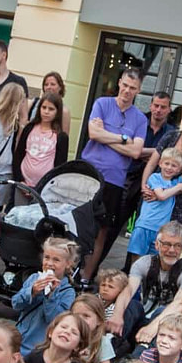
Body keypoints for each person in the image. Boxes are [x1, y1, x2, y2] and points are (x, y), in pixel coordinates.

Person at [77, 65, 149, 283]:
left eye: (133, 88)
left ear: (138, 90)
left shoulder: (140, 119)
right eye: (125, 85)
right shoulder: (102, 104)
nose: (127, 91)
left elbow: (136, 152)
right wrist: (124, 139)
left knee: (102, 231)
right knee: (79, 225)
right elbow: (92, 133)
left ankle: (86, 277)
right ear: (119, 83)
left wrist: (106, 135)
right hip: (89, 173)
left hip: (114, 181)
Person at [110, 220, 182, 346]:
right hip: (144, 319)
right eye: (166, 244)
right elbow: (128, 290)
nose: (172, 250)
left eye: (177, 245)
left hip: (169, 327)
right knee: (132, 306)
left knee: (162, 311)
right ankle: (112, 346)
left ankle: (140, 358)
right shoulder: (144, 263)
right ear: (157, 245)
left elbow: (180, 303)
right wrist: (117, 315)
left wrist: (153, 327)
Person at [10, 236, 77, 353]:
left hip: (37, 348)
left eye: (56, 260)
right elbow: (16, 304)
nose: (49, 263)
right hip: (17, 340)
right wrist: (31, 292)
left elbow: (55, 320)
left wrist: (51, 296)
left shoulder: (68, 292)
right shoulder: (33, 279)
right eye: (47, 258)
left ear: (68, 264)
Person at [127, 148, 182, 258]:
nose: (169, 167)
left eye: (174, 166)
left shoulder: (174, 182)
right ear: (160, 163)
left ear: (178, 169)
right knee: (137, 259)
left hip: (160, 230)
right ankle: (135, 275)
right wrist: (178, 188)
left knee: (154, 261)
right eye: (166, 163)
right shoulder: (155, 178)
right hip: (145, 225)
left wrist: (180, 165)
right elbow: (161, 196)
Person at [17, 91, 67, 188]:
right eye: (43, 107)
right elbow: (18, 154)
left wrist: (45, 186)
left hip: (45, 188)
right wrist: (20, 180)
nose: (46, 111)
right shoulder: (29, 128)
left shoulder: (61, 137)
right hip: (22, 184)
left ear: (58, 112)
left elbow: (60, 167)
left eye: (51, 109)